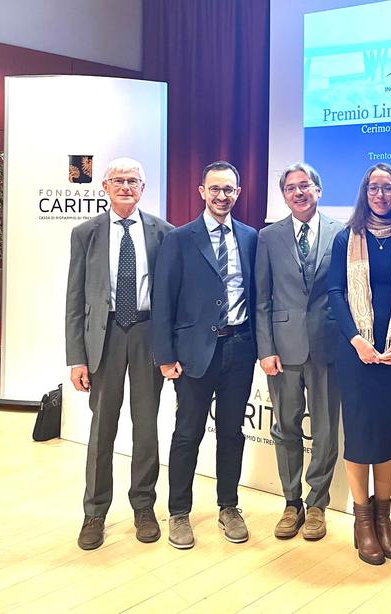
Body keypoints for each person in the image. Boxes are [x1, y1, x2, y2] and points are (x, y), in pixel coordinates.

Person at [66, 157, 173, 550]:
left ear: (142, 188)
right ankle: (94, 511)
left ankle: (143, 506)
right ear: (105, 187)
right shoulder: (86, 233)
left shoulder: (164, 232)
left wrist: (170, 347)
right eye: (118, 180)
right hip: (105, 335)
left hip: (147, 332)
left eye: (133, 181)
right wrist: (76, 357)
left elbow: (171, 296)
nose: (126, 186)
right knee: (102, 427)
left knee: (146, 425)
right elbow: (74, 298)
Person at [152, 160, 257, 549]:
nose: (222, 196)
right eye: (215, 188)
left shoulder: (250, 237)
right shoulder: (179, 239)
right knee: (187, 433)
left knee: (231, 433)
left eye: (229, 189)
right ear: (201, 192)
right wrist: (165, 355)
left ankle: (228, 506)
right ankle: (179, 512)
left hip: (239, 348)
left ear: (238, 193)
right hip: (193, 353)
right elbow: (163, 300)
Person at [326, 163, 391, 565]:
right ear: (364, 194)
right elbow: (335, 292)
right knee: (360, 435)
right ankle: (362, 521)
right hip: (356, 354)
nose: (380, 195)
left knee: (387, 434)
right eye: (373, 188)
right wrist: (356, 339)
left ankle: (384, 520)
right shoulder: (345, 238)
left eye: (387, 188)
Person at [255, 163, 342, 541]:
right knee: (285, 428)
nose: (298, 192)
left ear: (318, 190)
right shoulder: (268, 236)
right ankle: (292, 503)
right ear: (284, 195)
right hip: (283, 348)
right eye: (290, 188)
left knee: (325, 431)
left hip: (328, 345)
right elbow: (262, 297)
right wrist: (265, 348)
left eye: (304, 185)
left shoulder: (342, 232)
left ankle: (317, 503)